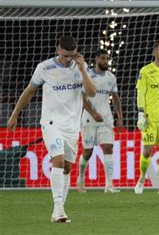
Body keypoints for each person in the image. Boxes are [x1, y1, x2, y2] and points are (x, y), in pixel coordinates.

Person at [7, 36, 96, 223]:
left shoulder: (80, 67)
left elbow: (92, 92)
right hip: (51, 123)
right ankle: (58, 209)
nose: (68, 60)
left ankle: (61, 207)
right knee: (58, 160)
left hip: (72, 126)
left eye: (72, 56)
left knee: (67, 167)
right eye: (65, 56)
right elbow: (29, 91)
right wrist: (15, 114)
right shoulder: (44, 68)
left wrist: (82, 69)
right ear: (58, 50)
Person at [76, 49, 123, 193]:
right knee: (88, 152)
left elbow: (115, 98)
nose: (105, 61)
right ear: (96, 59)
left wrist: (120, 117)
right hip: (89, 119)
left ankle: (109, 185)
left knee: (108, 148)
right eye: (103, 58)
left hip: (106, 119)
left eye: (107, 58)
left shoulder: (111, 77)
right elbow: (81, 98)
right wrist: (93, 113)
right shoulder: (87, 75)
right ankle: (81, 178)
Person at [134, 41, 159, 195]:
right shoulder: (145, 71)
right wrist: (140, 113)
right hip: (150, 117)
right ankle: (142, 179)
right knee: (147, 150)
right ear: (155, 53)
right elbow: (141, 93)